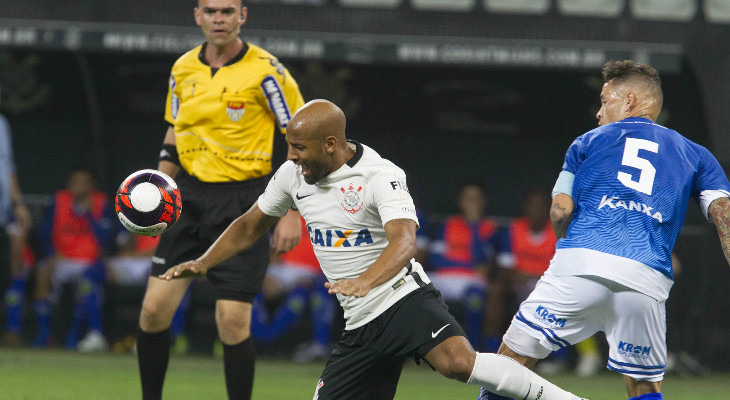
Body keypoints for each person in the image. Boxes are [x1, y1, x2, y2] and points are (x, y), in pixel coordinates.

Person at [163, 99, 586, 400]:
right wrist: (203, 262)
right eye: (290, 147)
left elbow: (405, 241)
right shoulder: (292, 176)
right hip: (360, 323)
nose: (292, 157)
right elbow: (250, 224)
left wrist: (366, 280)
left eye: (300, 148)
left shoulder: (380, 175)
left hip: (402, 299)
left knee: (458, 363)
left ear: (331, 143)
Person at [478, 60, 730, 400]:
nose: (599, 112)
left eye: (604, 100)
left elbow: (560, 212)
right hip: (645, 277)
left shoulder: (587, 141)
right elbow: (722, 213)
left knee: (507, 367)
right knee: (643, 387)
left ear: (628, 101)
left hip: (580, 264)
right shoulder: (698, 155)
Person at [136, 0, 305, 399]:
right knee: (153, 311)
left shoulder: (267, 72)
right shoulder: (183, 68)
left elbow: (301, 138)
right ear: (197, 16)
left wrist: (291, 209)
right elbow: (174, 132)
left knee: (231, 320)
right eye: (210, 11)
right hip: (188, 198)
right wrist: (157, 189)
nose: (218, 19)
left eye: (227, 11)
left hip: (244, 202)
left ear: (242, 16)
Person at [497, 190, 602, 377]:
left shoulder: (559, 230)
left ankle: (572, 357)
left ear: (548, 209)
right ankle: (507, 356)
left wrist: (538, 278)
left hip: (551, 284)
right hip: (519, 287)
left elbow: (566, 265)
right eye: (532, 205)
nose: (536, 210)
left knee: (568, 300)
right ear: (525, 208)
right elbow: (506, 268)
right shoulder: (515, 228)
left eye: (540, 206)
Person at [34, 168, 114, 351]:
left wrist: (90, 215)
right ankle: (44, 335)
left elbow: (106, 240)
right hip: (61, 259)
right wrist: (51, 254)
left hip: (89, 261)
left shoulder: (101, 203)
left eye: (84, 182)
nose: (79, 186)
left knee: (86, 282)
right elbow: (44, 233)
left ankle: (74, 336)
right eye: (75, 182)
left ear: (91, 185)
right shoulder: (58, 201)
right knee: (42, 273)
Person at [251, 216, 335, 363]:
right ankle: (257, 338)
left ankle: (318, 346)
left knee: (302, 295)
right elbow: (271, 244)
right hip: (282, 268)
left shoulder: (330, 215)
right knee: (251, 284)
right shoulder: (289, 211)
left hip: (313, 271)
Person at [428, 182, 501, 349]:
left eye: (476, 199)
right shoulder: (447, 225)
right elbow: (436, 260)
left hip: (472, 280)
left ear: (483, 202)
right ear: (460, 202)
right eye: (468, 199)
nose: (472, 203)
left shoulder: (490, 228)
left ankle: (472, 349)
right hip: (445, 277)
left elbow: (481, 261)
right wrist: (465, 264)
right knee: (418, 290)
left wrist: (474, 225)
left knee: (475, 297)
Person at [0, 81, 33, 346]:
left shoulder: (2, 123)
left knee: (9, 270)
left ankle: (10, 330)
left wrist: (19, 203)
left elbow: (7, 167)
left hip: (2, 213)